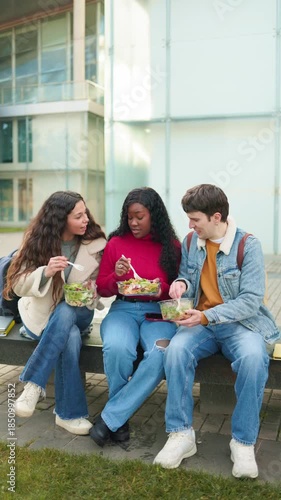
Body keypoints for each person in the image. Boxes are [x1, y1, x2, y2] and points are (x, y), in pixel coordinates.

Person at [153, 184, 281, 478]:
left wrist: (207, 316)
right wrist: (181, 285)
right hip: (202, 324)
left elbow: (250, 302)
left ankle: (243, 442)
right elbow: (186, 273)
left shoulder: (248, 245)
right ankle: (181, 435)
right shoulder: (190, 242)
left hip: (240, 324)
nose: (190, 225)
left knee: (253, 359)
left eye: (195, 219)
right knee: (175, 351)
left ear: (216, 216)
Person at [4, 191, 106, 435]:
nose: (86, 220)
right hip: (41, 315)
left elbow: (102, 284)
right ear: (61, 219)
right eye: (78, 216)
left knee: (68, 309)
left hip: (81, 311)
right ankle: (68, 415)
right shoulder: (37, 242)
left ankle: (33, 384)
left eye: (85, 214)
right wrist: (45, 272)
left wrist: (92, 290)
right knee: (69, 336)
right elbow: (16, 285)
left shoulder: (95, 242)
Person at [90, 187, 181, 446]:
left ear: (154, 215)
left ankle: (112, 417)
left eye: (139, 216)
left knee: (161, 354)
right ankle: (121, 418)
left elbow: (177, 289)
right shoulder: (116, 243)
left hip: (158, 314)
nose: (133, 222)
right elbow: (102, 288)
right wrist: (117, 277)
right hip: (123, 310)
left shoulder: (171, 247)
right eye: (129, 217)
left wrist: (160, 288)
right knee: (118, 348)